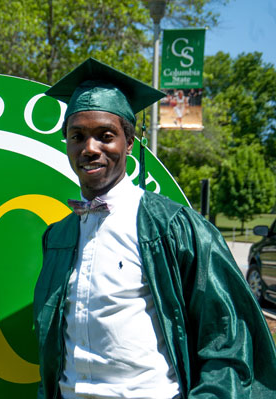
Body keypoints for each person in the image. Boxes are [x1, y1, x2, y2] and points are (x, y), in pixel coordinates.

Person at [33, 58, 276, 399]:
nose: (90, 148)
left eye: (106, 136)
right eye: (78, 136)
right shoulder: (57, 236)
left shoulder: (174, 228)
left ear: (129, 143)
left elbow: (227, 340)